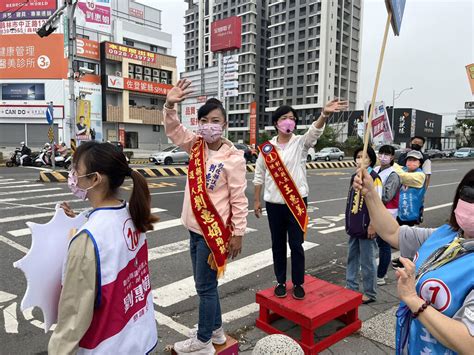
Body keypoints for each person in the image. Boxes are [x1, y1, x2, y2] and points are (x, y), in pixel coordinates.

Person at [48, 141, 158, 354]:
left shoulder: (88, 239)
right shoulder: (131, 213)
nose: (72, 175)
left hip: (108, 346)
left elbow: (73, 316)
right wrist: (78, 221)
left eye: (76, 170)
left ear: (95, 179)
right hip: (140, 338)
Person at [164, 79, 248, 354]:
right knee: (207, 286)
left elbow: (238, 199)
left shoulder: (233, 158)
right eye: (205, 120)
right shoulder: (195, 146)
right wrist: (170, 104)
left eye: (216, 120)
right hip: (193, 229)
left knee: (205, 288)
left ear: (224, 124)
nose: (209, 125)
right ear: (199, 123)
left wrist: (238, 233)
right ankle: (216, 331)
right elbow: (174, 129)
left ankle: (202, 342)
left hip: (213, 235)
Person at [353, 168, 474, 354]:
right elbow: (393, 233)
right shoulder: (446, 234)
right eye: (468, 193)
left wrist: (412, 298)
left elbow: (468, 343)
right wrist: (370, 193)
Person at [254, 99, 348, 300]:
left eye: (292, 118)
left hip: (296, 202)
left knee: (296, 245)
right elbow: (259, 175)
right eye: (284, 118)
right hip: (274, 205)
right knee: (277, 244)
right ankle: (280, 281)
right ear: (276, 122)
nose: (288, 121)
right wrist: (256, 201)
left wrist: (324, 115)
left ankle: (298, 283)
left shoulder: (300, 143)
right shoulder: (267, 149)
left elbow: (314, 132)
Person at [345, 146, 382, 304]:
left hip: (367, 225)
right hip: (354, 225)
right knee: (351, 258)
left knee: (367, 262)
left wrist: (373, 224)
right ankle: (351, 287)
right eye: (358, 156)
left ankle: (370, 292)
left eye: (365, 157)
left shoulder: (374, 178)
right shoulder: (355, 176)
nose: (361, 159)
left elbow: (378, 204)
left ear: (371, 160)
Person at [374, 145, 401, 286]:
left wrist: (372, 192)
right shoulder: (375, 170)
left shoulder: (393, 175)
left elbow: (386, 196)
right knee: (374, 243)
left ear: (392, 157)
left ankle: (381, 275)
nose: (383, 156)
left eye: (387, 154)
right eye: (381, 153)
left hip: (387, 214)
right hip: (373, 212)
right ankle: (373, 272)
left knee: (384, 245)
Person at [397, 150, 426, 227]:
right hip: (398, 211)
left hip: (412, 211)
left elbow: (403, 176)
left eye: (414, 160)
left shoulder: (420, 175)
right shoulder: (403, 169)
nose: (411, 162)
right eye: (409, 160)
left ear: (419, 163)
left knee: (408, 234)